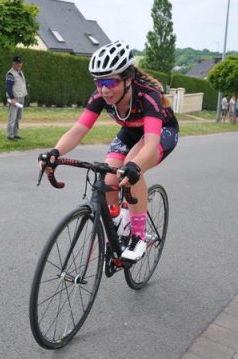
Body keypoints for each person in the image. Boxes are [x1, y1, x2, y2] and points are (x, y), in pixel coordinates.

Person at [37, 40, 179, 261]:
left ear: (128, 79)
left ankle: (139, 236)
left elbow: (150, 144)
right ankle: (119, 225)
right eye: (99, 82)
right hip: (130, 131)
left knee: (132, 165)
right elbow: (77, 131)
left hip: (160, 132)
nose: (104, 89)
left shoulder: (147, 95)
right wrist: (54, 152)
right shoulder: (100, 97)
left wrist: (135, 167)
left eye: (111, 81)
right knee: (110, 173)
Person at [5, 55, 27, 140]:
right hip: (14, 98)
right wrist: (12, 98)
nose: (19, 64)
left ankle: (15, 133)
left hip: (20, 97)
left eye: (20, 63)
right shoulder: (11, 73)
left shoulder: (20, 72)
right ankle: (10, 135)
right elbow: (8, 87)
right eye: (17, 63)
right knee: (12, 117)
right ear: (13, 63)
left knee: (17, 117)